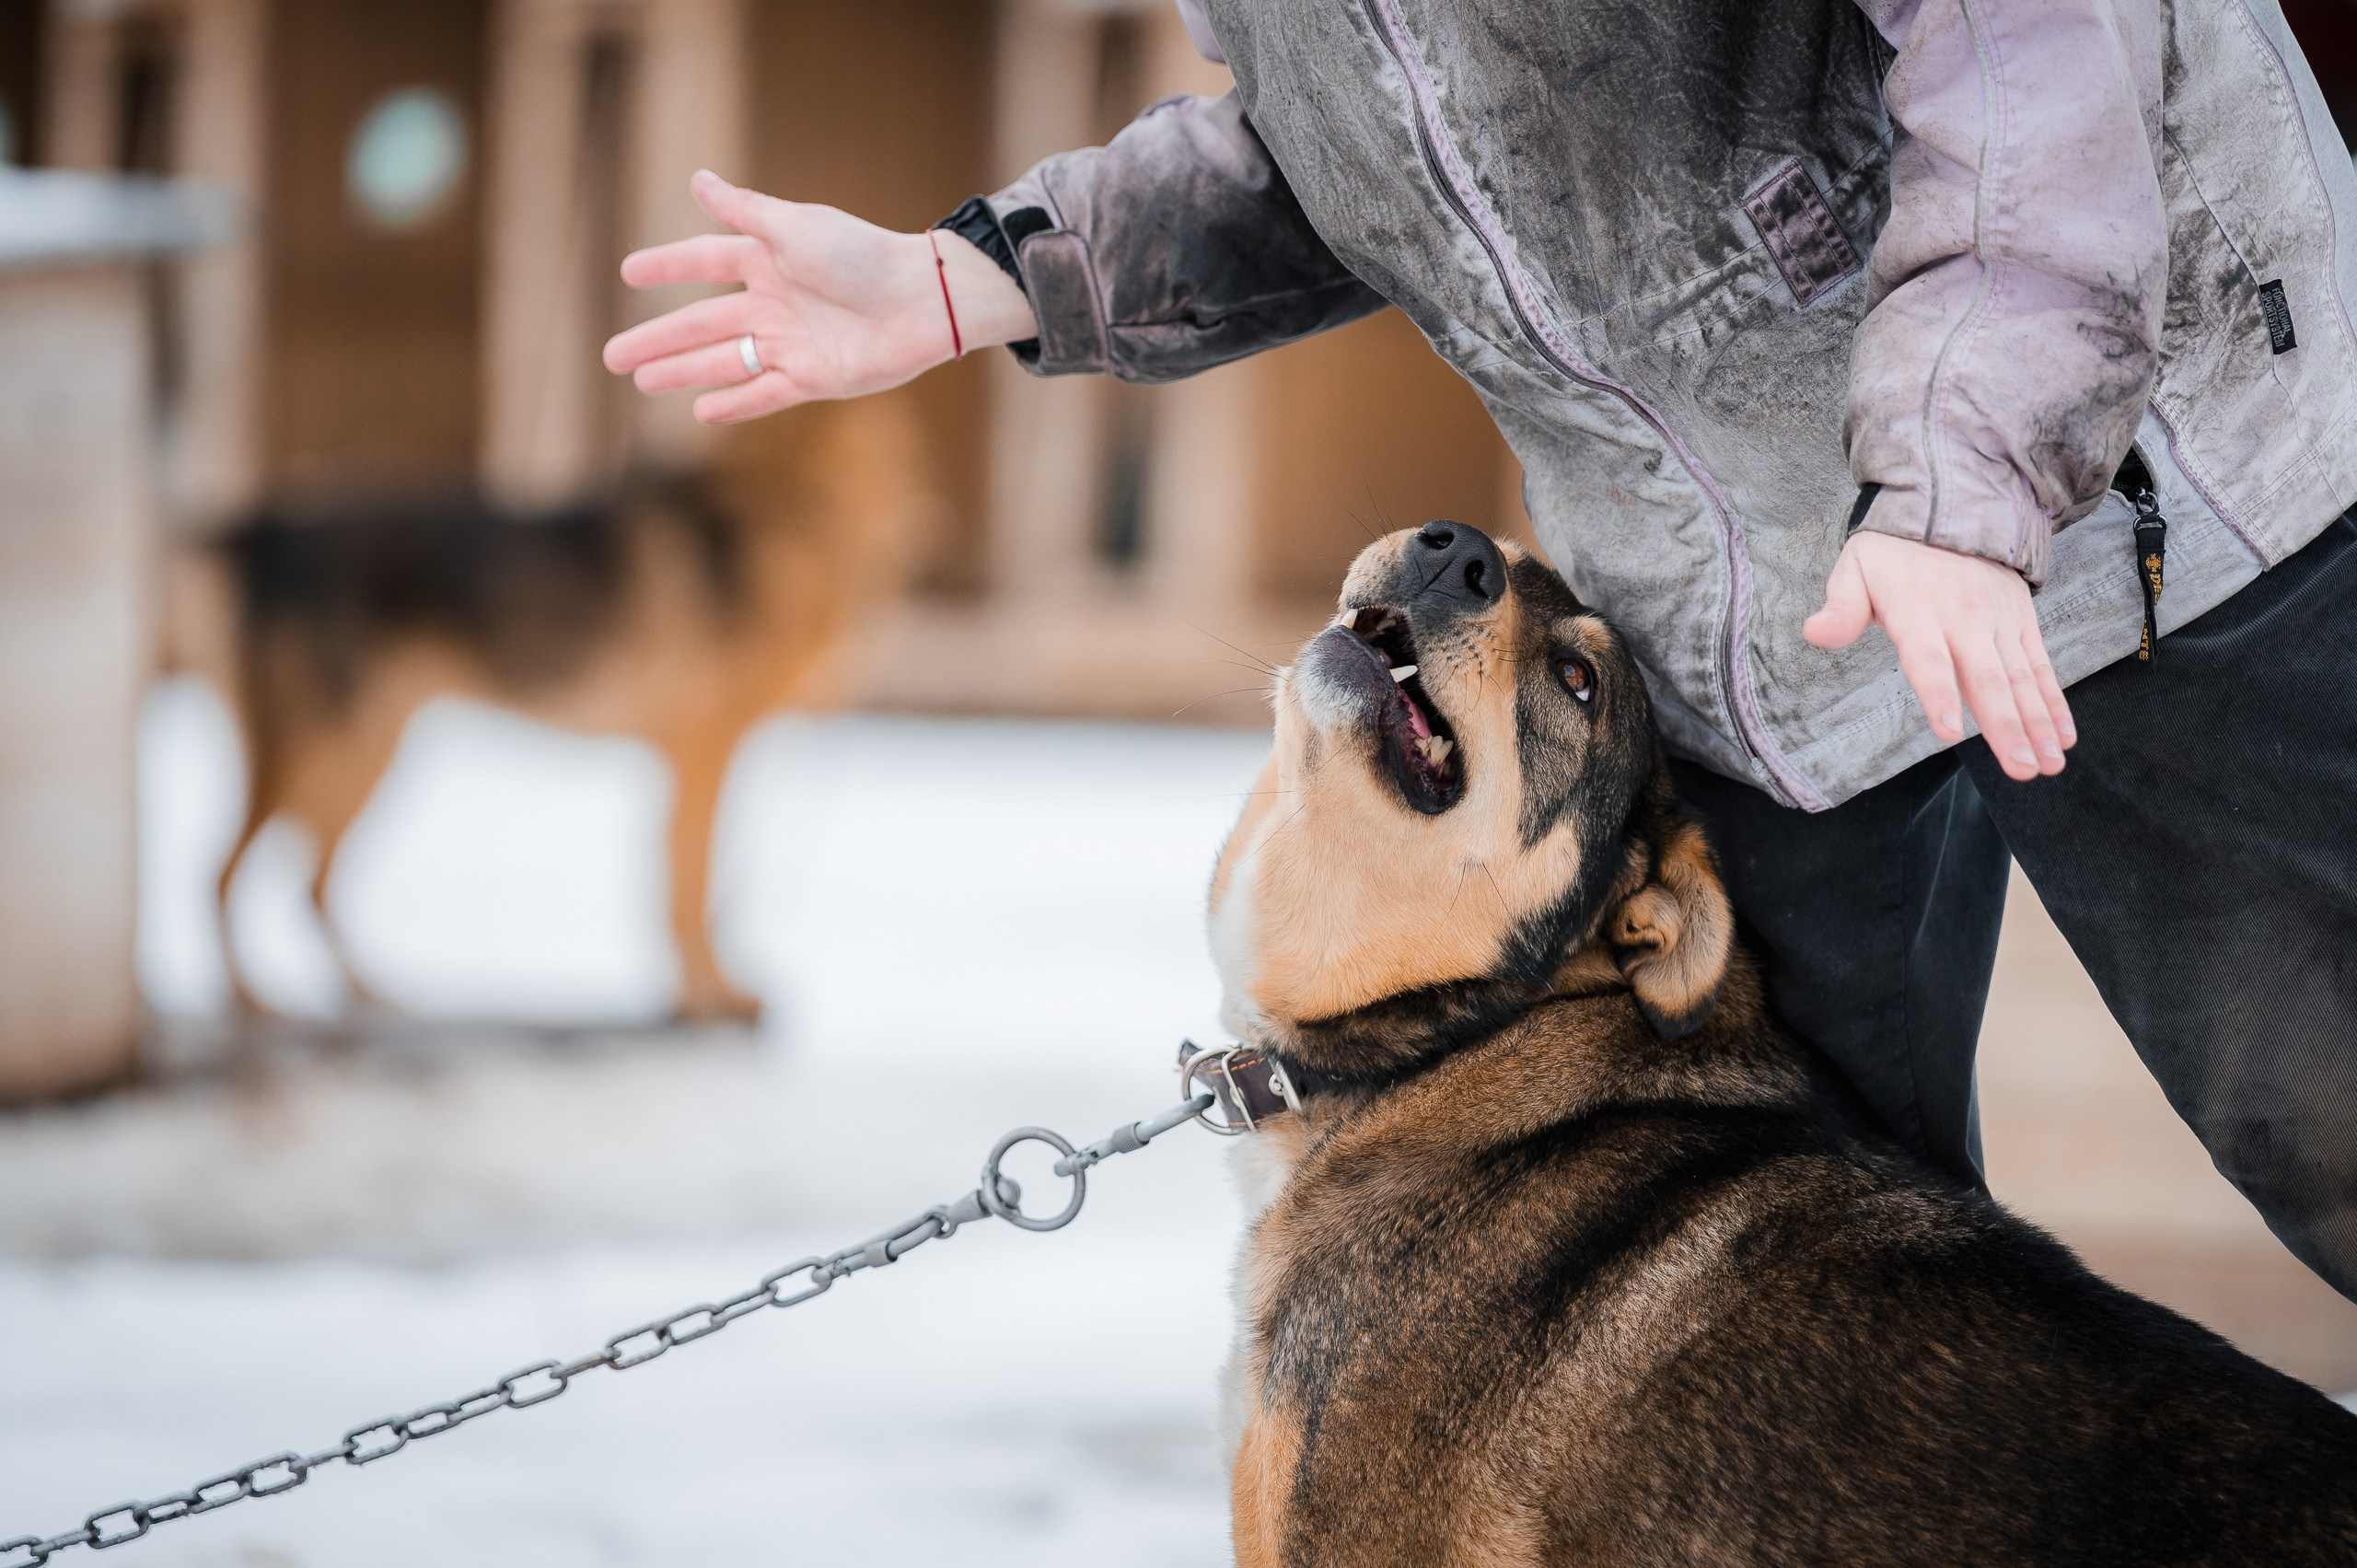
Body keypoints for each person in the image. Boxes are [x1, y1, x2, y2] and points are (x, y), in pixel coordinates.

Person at [604, 0, 2357, 1305]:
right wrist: (976, 279)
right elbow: (1386, 142)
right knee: (1766, 1289)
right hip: (1729, 611)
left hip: (2158, 490)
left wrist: (1963, 466)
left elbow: (2028, 35)